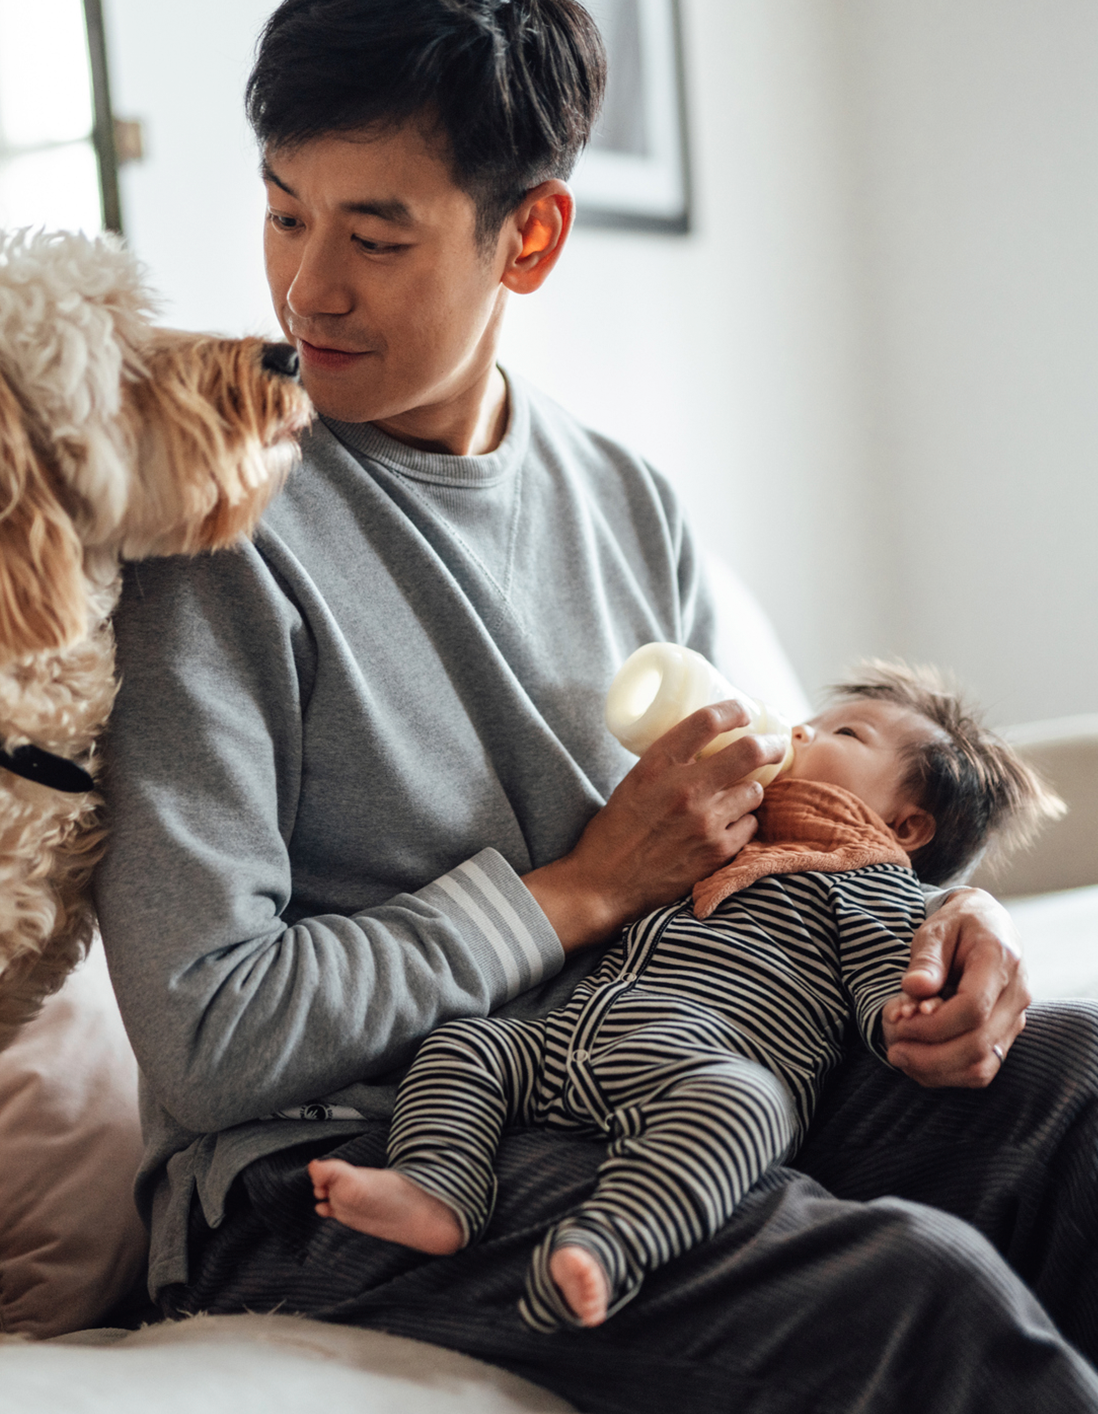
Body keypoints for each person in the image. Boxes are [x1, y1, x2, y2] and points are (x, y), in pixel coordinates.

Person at [95, 2, 1098, 1408]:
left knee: (1076, 1085)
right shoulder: (214, 528)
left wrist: (952, 918)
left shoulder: (630, 507)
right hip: (334, 1166)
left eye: (375, 237)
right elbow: (208, 1041)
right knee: (910, 1298)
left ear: (531, 236)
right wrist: (574, 889)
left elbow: (781, 836)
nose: (305, 289)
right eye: (281, 214)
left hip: (657, 1072)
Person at [307, 664, 1064, 1331]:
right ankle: (438, 1185)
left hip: (697, 1067)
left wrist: (914, 1004)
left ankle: (608, 1245)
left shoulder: (863, 884)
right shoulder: (717, 830)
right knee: (465, 1045)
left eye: (846, 734)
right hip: (565, 1039)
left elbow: (892, 982)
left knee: (746, 1108)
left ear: (905, 825)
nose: (800, 728)